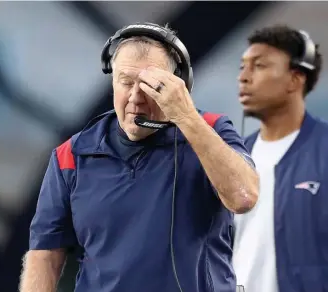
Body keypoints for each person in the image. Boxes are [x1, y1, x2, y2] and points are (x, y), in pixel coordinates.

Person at [19, 22, 259, 292]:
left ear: (179, 85)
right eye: (126, 82)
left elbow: (243, 197)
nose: (135, 98)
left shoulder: (211, 131)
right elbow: (44, 255)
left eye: (150, 86)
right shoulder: (70, 156)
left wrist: (187, 117)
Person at [233, 25, 328, 292]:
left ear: (295, 80)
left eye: (259, 66)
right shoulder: (233, 158)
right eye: (243, 66)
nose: (243, 77)